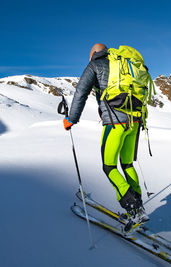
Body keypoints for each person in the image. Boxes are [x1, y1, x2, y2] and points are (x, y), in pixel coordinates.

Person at [63, 43, 149, 224]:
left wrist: (71, 119)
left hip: (116, 123)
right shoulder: (123, 63)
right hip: (135, 121)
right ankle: (138, 207)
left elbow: (81, 92)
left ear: (93, 53)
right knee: (127, 165)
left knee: (109, 167)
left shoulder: (95, 64)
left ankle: (132, 206)